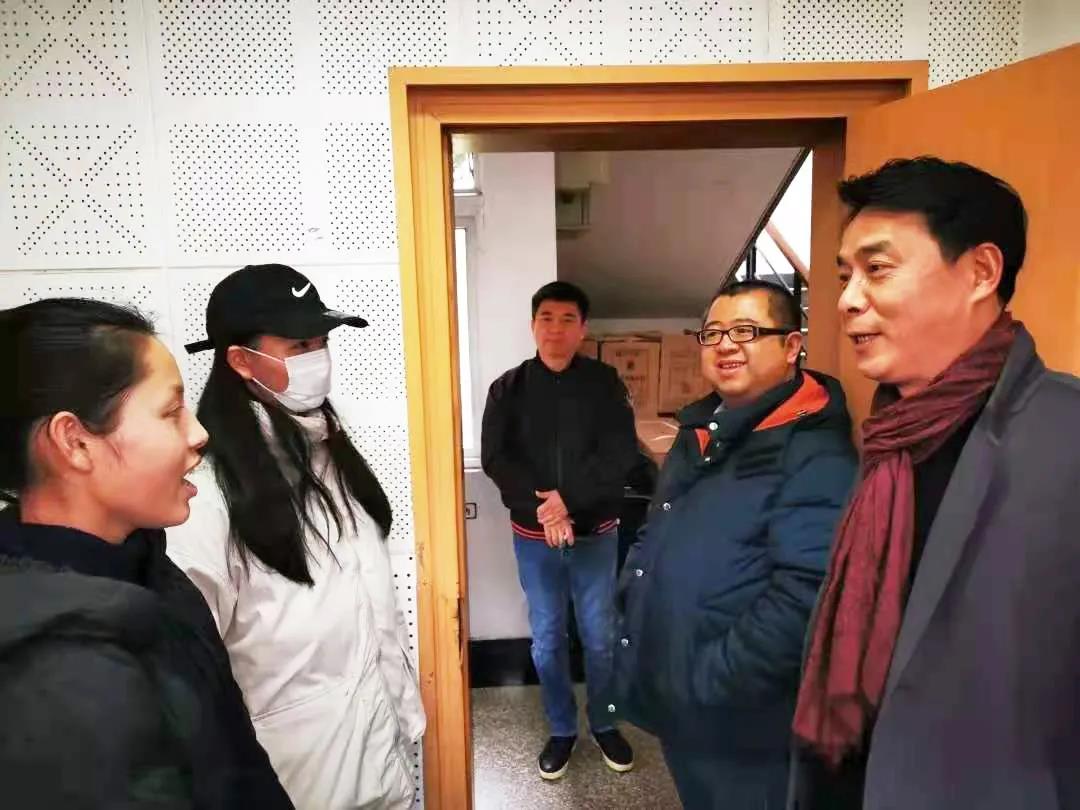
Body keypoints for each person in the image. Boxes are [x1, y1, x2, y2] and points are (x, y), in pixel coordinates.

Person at [789, 157, 1080, 810]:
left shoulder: (1067, 436)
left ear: (981, 272)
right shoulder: (889, 436)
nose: (847, 300)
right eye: (844, 275)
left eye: (877, 269)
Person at [0, 298, 292, 809]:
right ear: (74, 442)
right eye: (171, 412)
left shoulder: (148, 570)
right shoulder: (56, 679)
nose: (199, 434)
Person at [165, 264, 425, 810]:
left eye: (322, 341)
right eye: (300, 344)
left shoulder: (328, 453)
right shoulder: (204, 496)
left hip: (380, 762)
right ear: (240, 361)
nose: (318, 357)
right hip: (295, 784)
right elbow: (187, 672)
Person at [613, 281, 857, 809]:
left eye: (746, 331)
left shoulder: (815, 449)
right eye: (714, 333)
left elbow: (805, 596)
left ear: (791, 346)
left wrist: (707, 679)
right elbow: (660, 525)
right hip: (683, 699)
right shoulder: (699, 429)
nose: (726, 345)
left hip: (742, 721)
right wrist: (631, 595)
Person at [481, 281, 639, 780]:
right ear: (533, 325)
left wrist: (568, 502)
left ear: (582, 329)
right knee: (548, 639)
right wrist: (545, 511)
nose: (556, 329)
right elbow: (497, 459)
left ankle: (605, 724)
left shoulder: (605, 383)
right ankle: (562, 729)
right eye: (546, 318)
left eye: (568, 319)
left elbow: (620, 454)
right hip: (536, 540)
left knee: (600, 637)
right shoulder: (507, 388)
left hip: (596, 534)